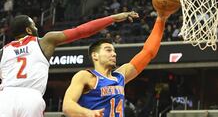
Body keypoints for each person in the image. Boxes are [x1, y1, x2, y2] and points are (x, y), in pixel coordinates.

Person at [0, 11, 138, 117]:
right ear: (29, 30)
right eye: (34, 26)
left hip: (5, 97)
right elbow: (82, 31)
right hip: (30, 97)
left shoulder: (3, 51)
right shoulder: (44, 41)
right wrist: (113, 18)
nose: (37, 28)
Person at [62, 12, 169, 117]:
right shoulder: (86, 76)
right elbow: (67, 106)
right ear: (95, 56)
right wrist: (89, 113)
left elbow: (148, 52)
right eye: (108, 50)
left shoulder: (120, 76)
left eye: (114, 51)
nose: (114, 54)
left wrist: (161, 19)